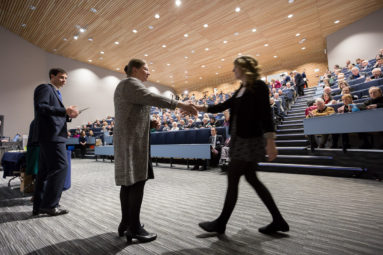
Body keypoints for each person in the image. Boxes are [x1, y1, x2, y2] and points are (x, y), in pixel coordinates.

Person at [195, 56, 289, 235]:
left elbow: (266, 115)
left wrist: (271, 141)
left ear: (244, 68)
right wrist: (199, 109)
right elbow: (222, 105)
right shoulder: (242, 89)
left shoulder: (259, 86)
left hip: (250, 140)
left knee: (233, 177)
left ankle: (221, 223)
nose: (233, 70)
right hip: (240, 139)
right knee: (252, 179)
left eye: (235, 67)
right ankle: (278, 220)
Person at [114, 58, 196, 243]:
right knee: (137, 182)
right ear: (135, 69)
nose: (149, 72)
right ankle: (133, 228)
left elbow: (130, 113)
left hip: (130, 140)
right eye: (146, 68)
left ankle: (126, 223)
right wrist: (181, 104)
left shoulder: (127, 86)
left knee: (128, 183)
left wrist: (149, 122)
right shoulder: (130, 83)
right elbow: (153, 98)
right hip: (132, 143)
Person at [32, 68, 79, 216]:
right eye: (61, 77)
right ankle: (50, 205)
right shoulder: (45, 88)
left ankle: (39, 206)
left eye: (66, 78)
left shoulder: (56, 93)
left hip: (51, 135)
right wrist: (64, 111)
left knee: (45, 172)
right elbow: (42, 108)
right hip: (51, 135)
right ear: (52, 76)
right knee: (61, 167)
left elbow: (53, 113)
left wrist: (68, 115)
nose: (64, 80)